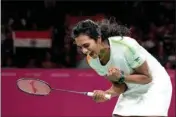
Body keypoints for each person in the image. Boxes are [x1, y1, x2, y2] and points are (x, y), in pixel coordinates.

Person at [71, 19, 172, 117]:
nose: (84, 51)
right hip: (132, 88)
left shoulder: (126, 46)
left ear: (98, 39)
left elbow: (147, 78)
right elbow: (120, 85)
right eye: (80, 47)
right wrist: (106, 94)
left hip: (155, 84)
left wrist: (121, 77)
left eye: (86, 45)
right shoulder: (92, 61)